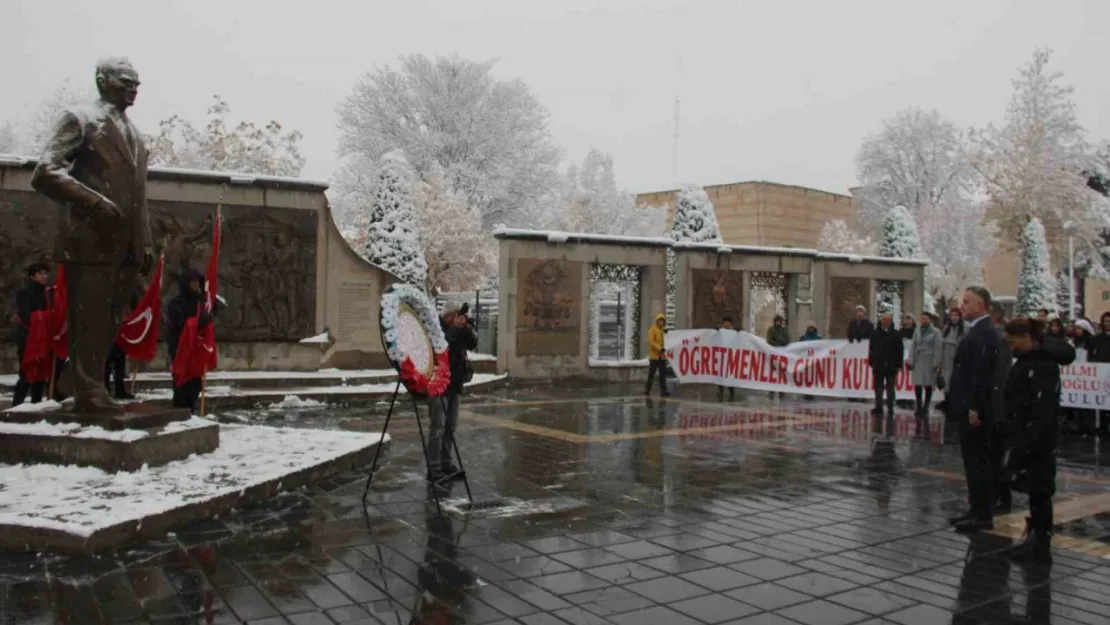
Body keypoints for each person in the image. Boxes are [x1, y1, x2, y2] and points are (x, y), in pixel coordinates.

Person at [31, 58, 155, 415]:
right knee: (91, 319)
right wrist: (93, 202)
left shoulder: (135, 134)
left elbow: (138, 196)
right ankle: (88, 389)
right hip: (89, 240)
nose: (134, 89)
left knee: (111, 319)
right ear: (102, 81)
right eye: (125, 81)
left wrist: (144, 239)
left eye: (137, 83)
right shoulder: (80, 119)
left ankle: (83, 381)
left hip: (126, 244)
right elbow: (45, 172)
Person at [1002, 318, 1076, 564]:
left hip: (1037, 437)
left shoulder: (1042, 364)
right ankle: (1036, 538)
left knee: (1040, 490)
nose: (1011, 346)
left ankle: (1040, 544)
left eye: (1013, 341)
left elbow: (1040, 408)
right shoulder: (1030, 360)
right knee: (1036, 490)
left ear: (1027, 338)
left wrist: (1027, 441)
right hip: (1030, 434)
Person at [947, 286, 1001, 533]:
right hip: (968, 407)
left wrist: (973, 407)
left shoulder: (984, 333)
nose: (962, 305)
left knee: (979, 462)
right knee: (972, 462)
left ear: (981, 305)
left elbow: (980, 376)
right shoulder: (977, 331)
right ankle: (976, 509)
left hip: (976, 411)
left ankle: (982, 514)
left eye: (967, 302)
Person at [426, 301, 478, 482]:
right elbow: (442, 346)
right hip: (438, 384)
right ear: (448, 316)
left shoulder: (458, 329)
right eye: (456, 316)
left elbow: (472, 345)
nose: (458, 319)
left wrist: (467, 329)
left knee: (450, 427)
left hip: (455, 384)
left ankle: (446, 463)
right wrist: (455, 329)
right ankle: (434, 468)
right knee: (437, 428)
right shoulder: (435, 327)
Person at [166, 269, 217, 413]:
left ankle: (191, 410)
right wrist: (199, 322)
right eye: (193, 282)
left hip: (196, 349)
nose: (196, 285)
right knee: (182, 381)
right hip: (180, 348)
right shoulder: (176, 303)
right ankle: (180, 412)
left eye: (198, 282)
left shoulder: (201, 303)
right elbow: (181, 323)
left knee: (195, 383)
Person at [11, 263, 51, 406]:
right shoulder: (25, 293)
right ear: (32, 276)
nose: (44, 276)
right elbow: (27, 316)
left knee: (41, 374)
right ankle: (16, 405)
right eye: (40, 273)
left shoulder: (48, 293)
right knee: (27, 373)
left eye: (45, 273)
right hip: (28, 337)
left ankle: (36, 404)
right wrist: (43, 318)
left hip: (44, 337)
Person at [989, 302, 1013, 512]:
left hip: (999, 406)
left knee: (997, 455)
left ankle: (1002, 495)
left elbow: (1000, 375)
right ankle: (997, 493)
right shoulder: (995, 336)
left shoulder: (1001, 339)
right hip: (993, 404)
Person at [104, 288, 141, 400]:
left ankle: (119, 389)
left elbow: (136, 306)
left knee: (120, 360)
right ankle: (106, 389)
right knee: (108, 361)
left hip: (123, 327)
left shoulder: (130, 289)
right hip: (110, 327)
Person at [868, 311, 903, 418]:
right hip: (878, 365)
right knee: (878, 387)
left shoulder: (896, 334)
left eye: (887, 320)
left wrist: (898, 365)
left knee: (890, 388)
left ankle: (890, 407)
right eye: (883, 319)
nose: (884, 322)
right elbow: (871, 348)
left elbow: (899, 350)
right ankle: (878, 406)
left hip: (891, 365)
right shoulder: (875, 333)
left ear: (890, 321)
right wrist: (871, 361)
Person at [909, 312, 941, 423]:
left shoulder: (936, 332)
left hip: (929, 359)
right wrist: (911, 360)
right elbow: (913, 345)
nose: (924, 320)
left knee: (928, 384)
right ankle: (919, 405)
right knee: (917, 384)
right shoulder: (917, 330)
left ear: (930, 320)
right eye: (922, 318)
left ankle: (926, 406)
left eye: (926, 319)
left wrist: (936, 362)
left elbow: (938, 348)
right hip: (918, 359)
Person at [937, 307, 965, 411]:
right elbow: (941, 344)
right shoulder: (946, 328)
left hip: (958, 358)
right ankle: (947, 401)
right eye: (952, 315)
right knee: (946, 380)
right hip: (946, 358)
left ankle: (956, 403)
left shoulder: (964, 328)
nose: (953, 318)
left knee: (956, 381)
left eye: (956, 315)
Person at [645, 313, 669, 397]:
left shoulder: (663, 330)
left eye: (662, 321)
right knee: (651, 374)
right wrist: (660, 348)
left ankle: (664, 391)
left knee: (663, 375)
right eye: (660, 321)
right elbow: (651, 342)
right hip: (654, 357)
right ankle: (647, 390)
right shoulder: (653, 329)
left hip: (662, 357)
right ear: (657, 321)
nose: (661, 322)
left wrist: (667, 334)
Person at [717, 317, 735, 401]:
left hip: (731, 357)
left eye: (728, 322)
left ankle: (732, 391)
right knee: (721, 374)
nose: (727, 324)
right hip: (722, 357)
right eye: (725, 322)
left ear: (731, 324)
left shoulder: (735, 332)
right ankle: (720, 390)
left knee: (730, 375)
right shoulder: (719, 332)